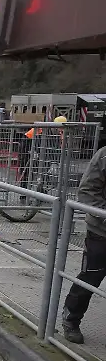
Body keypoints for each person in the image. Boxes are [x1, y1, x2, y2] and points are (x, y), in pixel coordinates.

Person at [62, 116, 105, 345]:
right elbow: (87, 192)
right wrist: (103, 215)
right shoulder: (104, 156)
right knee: (91, 276)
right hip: (101, 232)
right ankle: (71, 319)